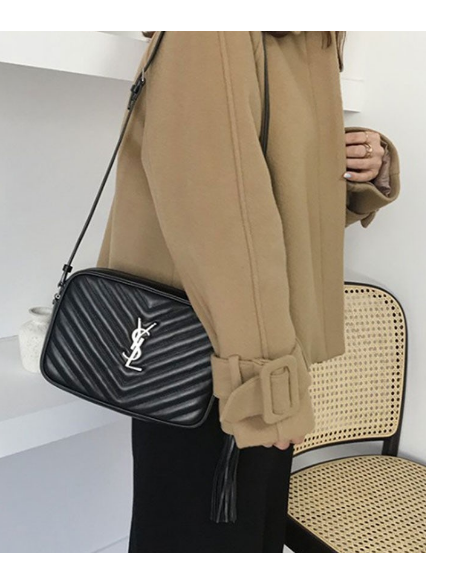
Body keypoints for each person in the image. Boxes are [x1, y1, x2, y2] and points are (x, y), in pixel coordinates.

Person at [98, 31, 400, 554]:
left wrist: (355, 169)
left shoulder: (310, 42)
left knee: (251, 535)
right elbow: (215, 217)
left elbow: (274, 206)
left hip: (264, 348)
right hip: (213, 355)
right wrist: (265, 385)